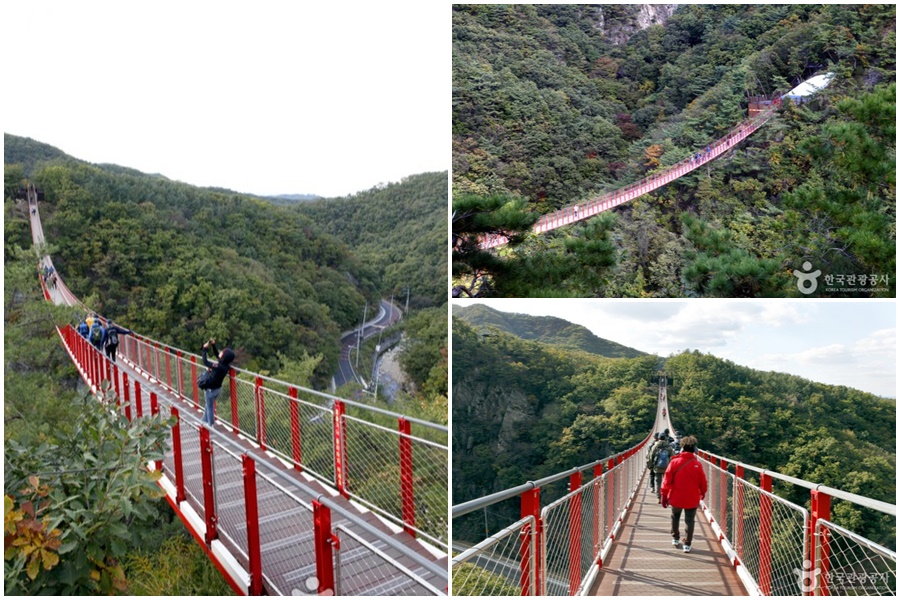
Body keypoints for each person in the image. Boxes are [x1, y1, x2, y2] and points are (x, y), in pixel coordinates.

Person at [660, 435, 707, 553]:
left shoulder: (674, 462)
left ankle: (675, 537)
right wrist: (702, 493)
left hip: (676, 497)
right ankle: (687, 544)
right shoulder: (698, 464)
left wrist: (664, 496)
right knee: (690, 520)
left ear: (681, 448)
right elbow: (703, 482)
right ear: (695, 449)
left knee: (675, 516)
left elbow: (666, 481)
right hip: (692, 498)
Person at [200, 338, 235, 427]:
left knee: (210, 407)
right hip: (217, 389)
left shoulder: (219, 366)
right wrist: (213, 345)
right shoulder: (224, 365)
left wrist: (204, 349)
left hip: (211, 390)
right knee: (208, 405)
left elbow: (205, 362)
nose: (220, 352)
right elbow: (217, 355)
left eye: (222, 352)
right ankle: (203, 422)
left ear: (224, 357)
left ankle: (210, 425)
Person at [649, 432, 671, 502]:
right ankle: (665, 497)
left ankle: (659, 498)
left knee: (658, 482)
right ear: (665, 438)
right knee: (666, 482)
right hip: (667, 467)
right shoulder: (668, 446)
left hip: (657, 467)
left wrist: (651, 465)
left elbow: (651, 456)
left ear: (658, 438)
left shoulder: (655, 446)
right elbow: (673, 456)